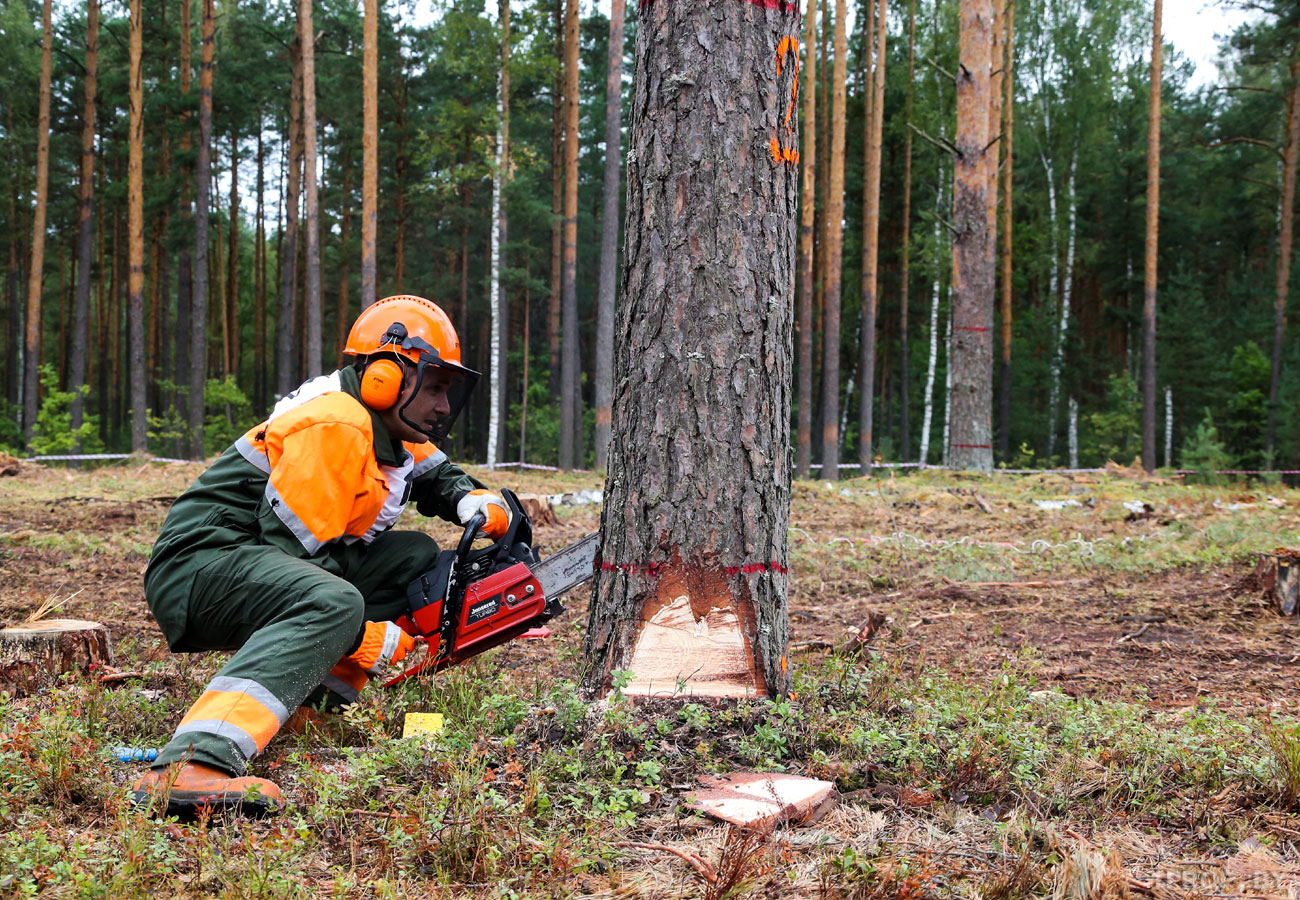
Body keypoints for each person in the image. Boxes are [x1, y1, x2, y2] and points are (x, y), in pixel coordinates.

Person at [131, 295, 510, 817]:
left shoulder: (384, 424)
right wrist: (366, 637)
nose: (444, 406)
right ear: (386, 376)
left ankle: (314, 707)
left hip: (249, 560)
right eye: (437, 387)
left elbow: (432, 473)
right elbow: (294, 559)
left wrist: (474, 499)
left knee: (412, 556)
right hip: (202, 566)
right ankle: (195, 763)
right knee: (333, 601)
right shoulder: (335, 425)